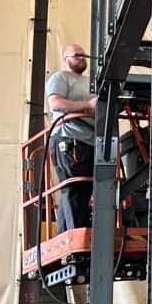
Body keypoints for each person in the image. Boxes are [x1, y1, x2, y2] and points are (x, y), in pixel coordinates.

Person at [45, 43, 97, 232]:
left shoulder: (92, 82)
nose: (82, 57)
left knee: (83, 190)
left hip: (90, 141)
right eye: (77, 55)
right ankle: (76, 236)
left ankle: (65, 236)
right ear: (65, 59)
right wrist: (88, 105)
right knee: (74, 187)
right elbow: (55, 104)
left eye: (84, 55)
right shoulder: (61, 77)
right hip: (69, 139)